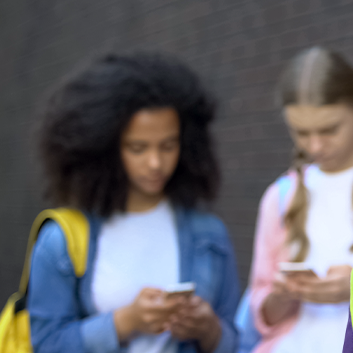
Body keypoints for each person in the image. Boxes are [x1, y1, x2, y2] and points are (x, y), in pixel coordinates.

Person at [28, 52, 240, 353]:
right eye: (138, 148)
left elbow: (237, 343)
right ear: (105, 147)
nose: (156, 163)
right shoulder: (62, 241)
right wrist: (124, 322)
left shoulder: (209, 235)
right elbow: (46, 344)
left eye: (169, 145)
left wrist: (209, 330)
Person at [248, 46, 353, 352]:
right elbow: (262, 313)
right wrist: (281, 296)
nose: (314, 145)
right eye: (301, 133)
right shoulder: (279, 197)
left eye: (329, 130)